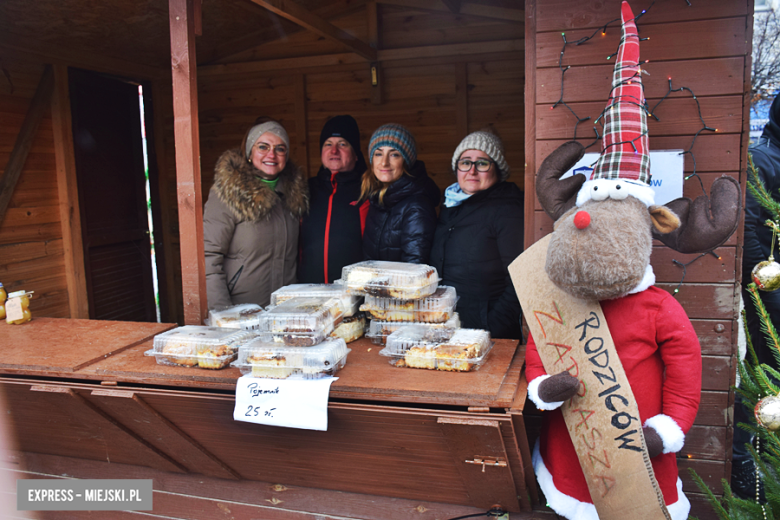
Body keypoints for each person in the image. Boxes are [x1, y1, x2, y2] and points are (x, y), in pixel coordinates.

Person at [203, 119, 308, 309]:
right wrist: (223, 314)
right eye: (263, 147)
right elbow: (208, 257)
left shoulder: (293, 197)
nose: (272, 155)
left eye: (280, 149)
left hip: (286, 311)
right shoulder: (228, 193)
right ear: (250, 152)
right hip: (241, 312)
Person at [429, 129, 524, 339]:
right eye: (465, 162)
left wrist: (492, 327)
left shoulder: (508, 209)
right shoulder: (450, 206)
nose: (472, 171)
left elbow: (520, 279)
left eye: (482, 163)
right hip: (448, 324)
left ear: (497, 169)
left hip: (485, 331)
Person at [731, 94, 780, 499]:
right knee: (757, 377)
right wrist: (768, 295)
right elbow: (751, 238)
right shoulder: (761, 160)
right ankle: (748, 466)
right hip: (766, 296)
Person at [298, 115, 368, 283]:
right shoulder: (303, 190)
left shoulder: (368, 191)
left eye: (342, 144)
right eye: (328, 144)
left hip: (355, 297)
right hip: (308, 295)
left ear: (356, 154)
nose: (334, 150)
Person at [360, 123, 439, 263]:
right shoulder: (377, 198)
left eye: (394, 155)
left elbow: (415, 268)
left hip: (401, 285)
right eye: (378, 154)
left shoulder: (416, 206)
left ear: (406, 162)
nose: (384, 163)